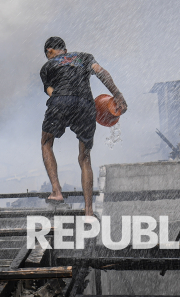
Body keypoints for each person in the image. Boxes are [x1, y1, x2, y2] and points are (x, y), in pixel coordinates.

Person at [40, 37, 127, 217]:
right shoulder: (84, 57)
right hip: (86, 104)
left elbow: (51, 92)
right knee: (85, 157)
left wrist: (63, 104)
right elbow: (102, 72)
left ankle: (56, 191)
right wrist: (117, 94)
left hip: (61, 100)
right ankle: (88, 210)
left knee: (46, 143)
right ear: (64, 49)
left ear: (50, 51)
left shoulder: (47, 67)